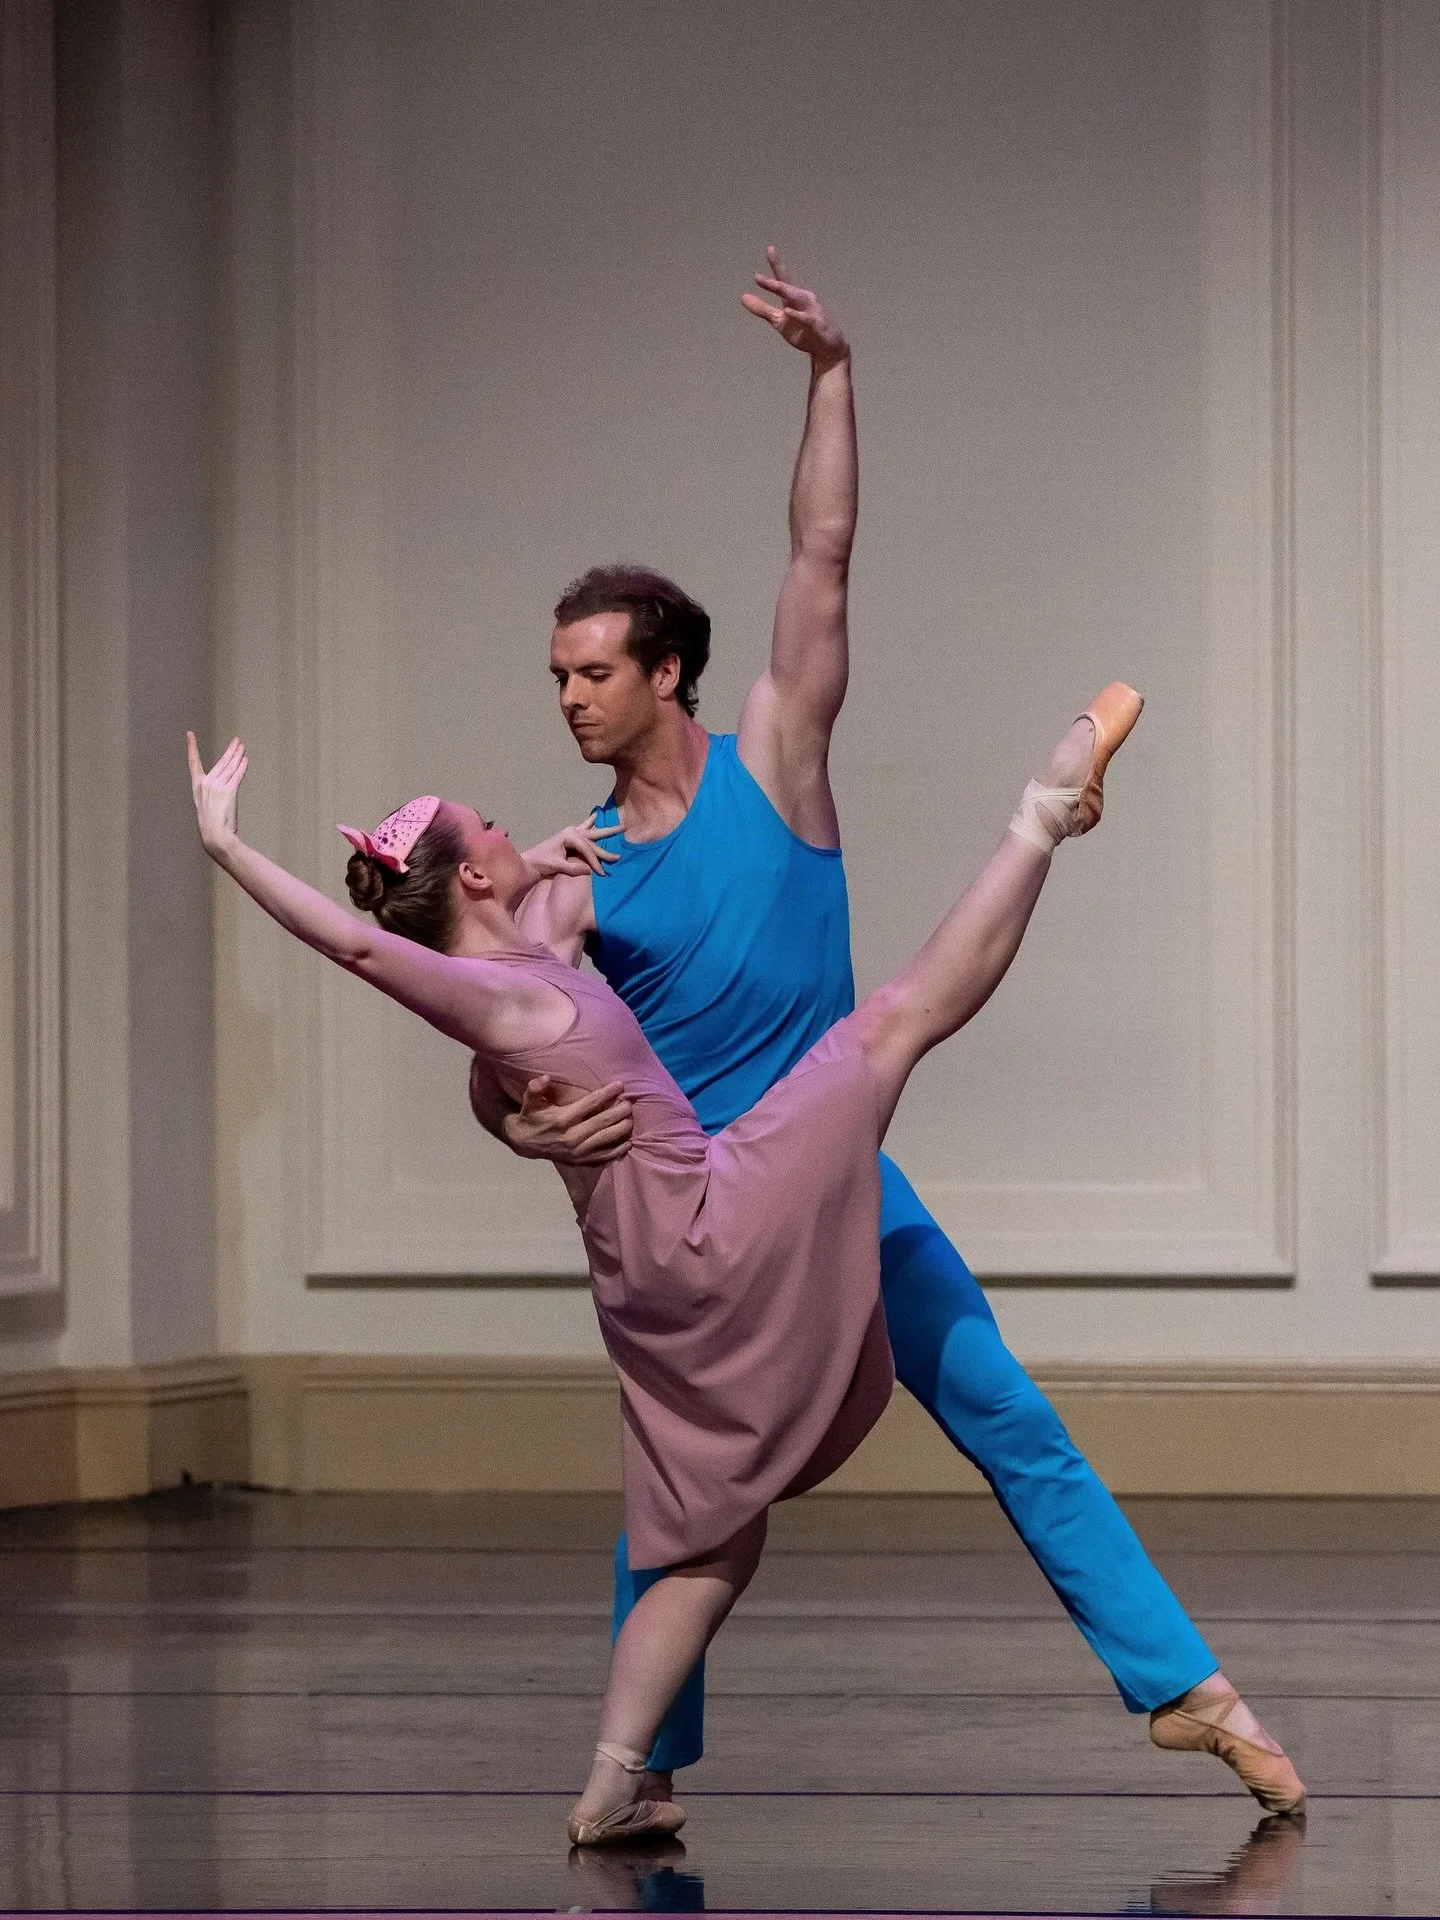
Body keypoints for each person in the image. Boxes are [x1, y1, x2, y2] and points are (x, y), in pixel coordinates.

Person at [468, 249, 1307, 1821]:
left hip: (843, 1184)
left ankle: (1190, 1690)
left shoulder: (773, 758)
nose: (569, 698)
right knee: (683, 1491)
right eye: (557, 676)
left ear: (667, 673)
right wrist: (516, 1122)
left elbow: (823, 550)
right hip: (716, 1216)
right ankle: (640, 1771)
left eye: (594, 672)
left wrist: (833, 373)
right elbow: (508, 1045)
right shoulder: (573, 876)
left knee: (1006, 1413)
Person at [190, 686, 1298, 1851]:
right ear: (469, 873)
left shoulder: (528, 947)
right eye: (493, 829)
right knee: (889, 1024)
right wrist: (228, 848)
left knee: (708, 1538)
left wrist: (540, 887)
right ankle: (1043, 814)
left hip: (646, 1267)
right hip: (707, 1223)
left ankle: (617, 1782)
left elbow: (508, 1023)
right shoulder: (495, 988)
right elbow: (362, 945)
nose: (518, 825)